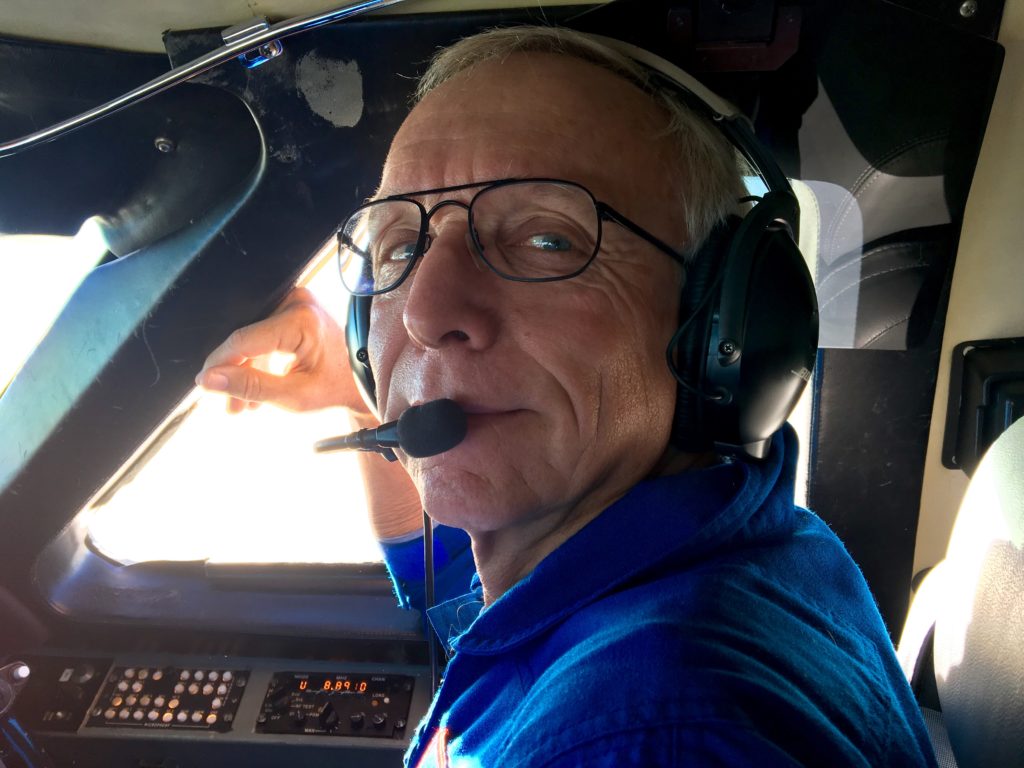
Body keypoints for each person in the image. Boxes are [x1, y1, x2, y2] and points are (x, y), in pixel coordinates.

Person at [196, 26, 936, 768]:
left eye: (546, 240)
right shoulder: (723, 547)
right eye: (401, 246)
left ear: (726, 322)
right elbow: (473, 597)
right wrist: (363, 403)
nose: (423, 310)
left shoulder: (634, 736)